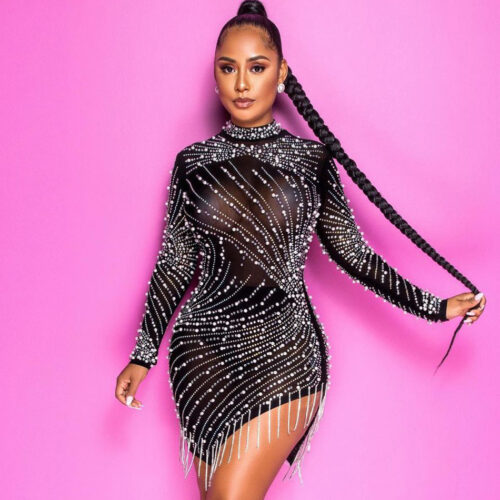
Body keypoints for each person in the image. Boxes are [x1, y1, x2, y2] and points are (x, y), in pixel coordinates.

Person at [115, 1, 487, 498]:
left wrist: (434, 306)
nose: (241, 84)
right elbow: (177, 263)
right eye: (228, 68)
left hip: (285, 353)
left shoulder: (312, 160)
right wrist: (143, 354)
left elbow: (353, 254)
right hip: (202, 357)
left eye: (257, 68)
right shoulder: (193, 163)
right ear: (215, 75)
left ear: (282, 73)